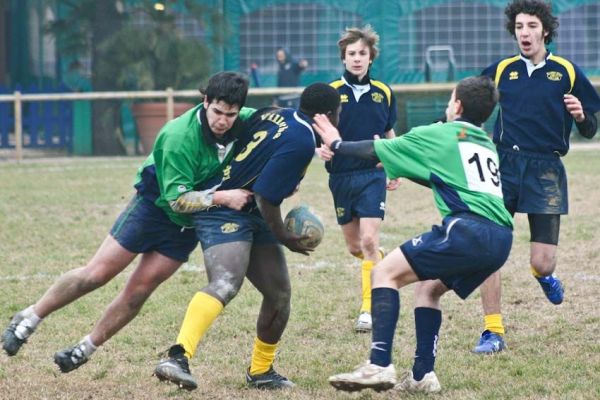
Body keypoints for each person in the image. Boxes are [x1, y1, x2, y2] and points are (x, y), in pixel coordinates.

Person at [1, 72, 256, 372]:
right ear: (205, 102)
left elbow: (280, 124)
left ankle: (84, 349)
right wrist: (225, 198)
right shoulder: (179, 137)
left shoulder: (245, 120)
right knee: (96, 275)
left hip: (187, 226)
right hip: (153, 208)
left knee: (138, 291)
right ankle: (29, 318)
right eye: (217, 112)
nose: (223, 121)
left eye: (231, 114)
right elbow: (178, 200)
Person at [312, 76, 513, 394]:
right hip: (500, 239)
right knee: (428, 289)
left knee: (383, 272)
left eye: (450, 99)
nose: (448, 104)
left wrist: (336, 143)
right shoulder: (483, 142)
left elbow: (374, 148)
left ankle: (378, 364)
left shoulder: (440, 133)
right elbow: (444, 179)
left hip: (467, 231)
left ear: (457, 105)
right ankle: (422, 375)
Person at [152, 83, 341, 391]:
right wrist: (284, 236)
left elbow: (255, 152)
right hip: (224, 208)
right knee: (226, 282)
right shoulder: (303, 140)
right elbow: (268, 196)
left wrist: (277, 178)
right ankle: (177, 356)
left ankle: (261, 371)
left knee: (279, 295)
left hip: (252, 209)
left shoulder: (276, 113)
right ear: (331, 114)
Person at [473, 0, 600, 354]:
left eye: (531, 26)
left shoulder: (566, 71)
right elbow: (470, 103)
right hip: (503, 166)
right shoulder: (501, 71)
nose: (524, 33)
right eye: (518, 27)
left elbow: (590, 128)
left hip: (546, 169)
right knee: (489, 247)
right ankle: (492, 331)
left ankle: (543, 276)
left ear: (545, 30)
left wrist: (580, 116)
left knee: (542, 261)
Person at [317, 25, 400, 332]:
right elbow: (318, 133)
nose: (356, 59)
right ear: (343, 58)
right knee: (356, 247)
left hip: (372, 173)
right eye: (351, 54)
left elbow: (391, 133)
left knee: (368, 239)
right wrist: (319, 151)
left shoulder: (384, 92)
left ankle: (369, 310)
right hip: (340, 176)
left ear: (370, 57)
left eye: (362, 53)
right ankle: (382, 261)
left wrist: (395, 165)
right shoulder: (331, 92)